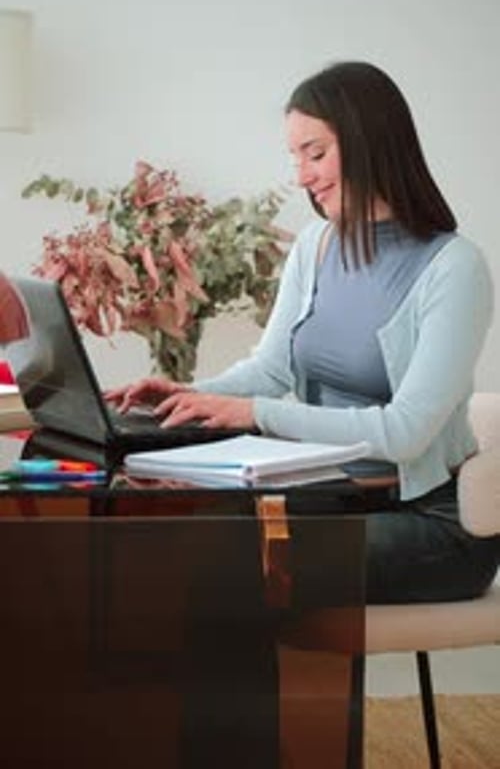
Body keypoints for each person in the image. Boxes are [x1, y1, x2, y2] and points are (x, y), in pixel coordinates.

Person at [107, 60, 499, 604]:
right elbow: (272, 370)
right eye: (297, 158)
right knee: (178, 534)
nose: (302, 176)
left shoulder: (454, 267)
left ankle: (258, 693)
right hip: (339, 495)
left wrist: (257, 414)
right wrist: (198, 395)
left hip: (430, 521)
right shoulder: (316, 246)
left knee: (235, 564)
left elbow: (407, 432)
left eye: (315, 154)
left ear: (370, 143)